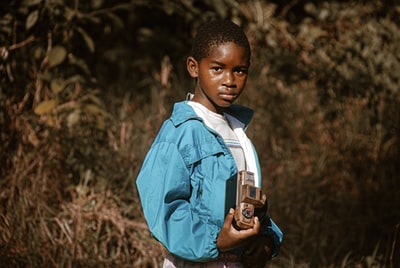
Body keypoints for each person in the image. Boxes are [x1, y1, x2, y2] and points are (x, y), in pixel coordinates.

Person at [136, 20, 283, 268]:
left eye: (240, 70)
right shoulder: (180, 132)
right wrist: (215, 241)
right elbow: (164, 208)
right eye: (217, 69)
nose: (230, 80)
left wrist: (265, 240)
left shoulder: (239, 133)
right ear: (194, 67)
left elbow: (246, 204)